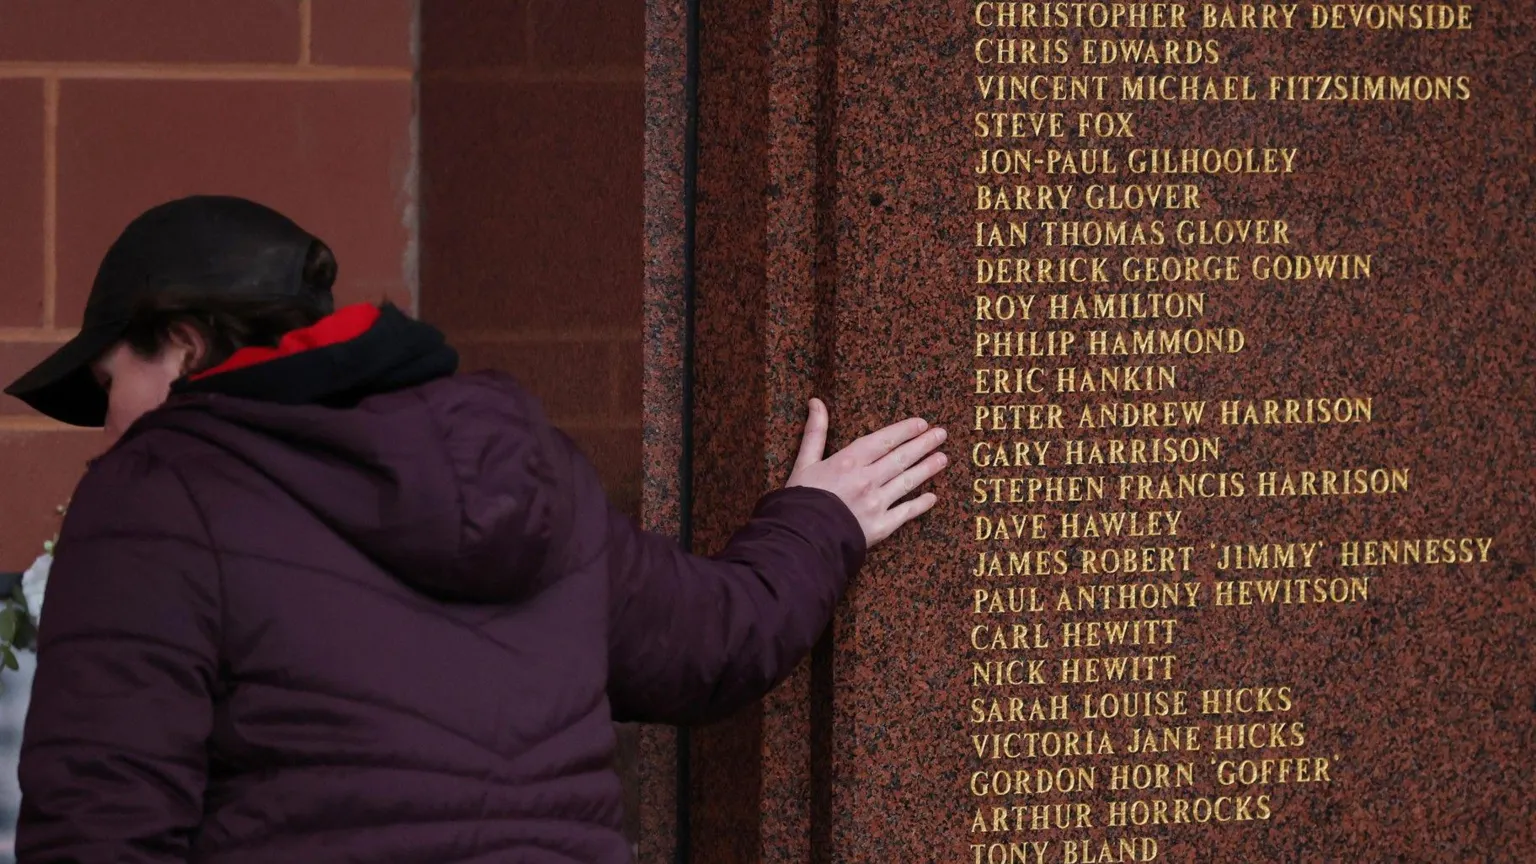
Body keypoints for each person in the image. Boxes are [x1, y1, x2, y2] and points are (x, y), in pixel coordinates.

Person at [4, 196, 948, 863]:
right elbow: (710, 640)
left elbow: (100, 825)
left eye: (107, 386)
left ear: (184, 346)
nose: (112, 423)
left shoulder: (154, 493)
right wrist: (821, 520)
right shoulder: (520, 461)